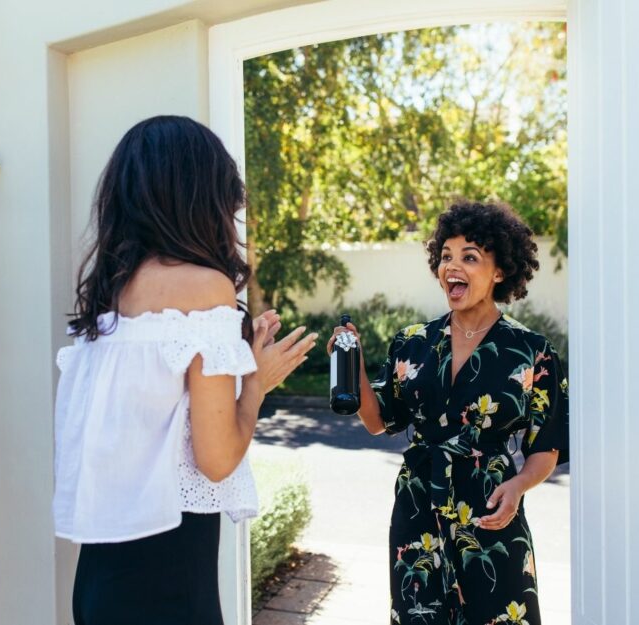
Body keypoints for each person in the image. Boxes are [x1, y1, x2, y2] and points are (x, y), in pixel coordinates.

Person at [53, 115, 318, 625]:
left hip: (99, 578)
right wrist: (256, 384)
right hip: (167, 583)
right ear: (199, 197)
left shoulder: (109, 295)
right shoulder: (205, 288)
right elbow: (216, 460)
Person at [327, 201, 569, 625]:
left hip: (492, 510)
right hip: (419, 505)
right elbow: (377, 420)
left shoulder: (533, 352)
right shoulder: (413, 342)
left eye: (469, 257)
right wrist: (355, 365)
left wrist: (518, 487)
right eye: (446, 257)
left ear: (499, 272)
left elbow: (545, 446)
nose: (451, 267)